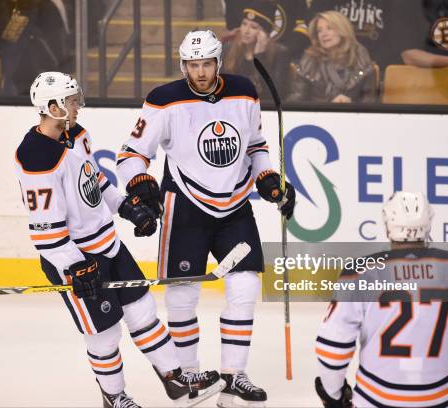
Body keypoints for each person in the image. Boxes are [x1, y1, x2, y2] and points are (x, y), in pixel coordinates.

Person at [14, 71, 224, 408]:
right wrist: (75, 267)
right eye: (70, 101)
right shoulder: (36, 157)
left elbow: (94, 180)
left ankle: (176, 380)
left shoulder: (76, 135)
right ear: (51, 106)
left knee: (143, 312)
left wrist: (127, 208)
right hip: (74, 257)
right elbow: (45, 231)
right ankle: (114, 397)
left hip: (108, 245)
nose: (76, 106)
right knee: (104, 335)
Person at [116, 30, 296, 408]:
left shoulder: (244, 91)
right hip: (184, 208)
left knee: (245, 291)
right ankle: (190, 376)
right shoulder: (164, 99)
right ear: (184, 65)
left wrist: (267, 178)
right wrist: (142, 181)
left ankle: (234, 376)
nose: (199, 72)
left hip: (235, 208)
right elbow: (132, 153)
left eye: (206, 64)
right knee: (182, 298)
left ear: (219, 62)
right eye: (192, 65)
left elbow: (256, 146)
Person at [314, 191, 448, 408]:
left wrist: (333, 395)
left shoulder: (359, 272)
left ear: (387, 226)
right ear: (429, 224)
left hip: (374, 400)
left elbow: (332, 347)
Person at [287, 11, 377, 104]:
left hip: (354, 116)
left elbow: (370, 98)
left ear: (342, 30)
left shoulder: (360, 56)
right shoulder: (310, 59)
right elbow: (297, 99)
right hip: (318, 115)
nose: (323, 34)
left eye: (329, 28)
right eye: (319, 31)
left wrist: (352, 105)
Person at [307, 0, 423, 68]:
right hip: (332, 69)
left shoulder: (397, 3)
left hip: (378, 69)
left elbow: (398, 42)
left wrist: (370, 68)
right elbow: (315, 34)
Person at [221, 1, 290, 102]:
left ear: (264, 33)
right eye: (244, 24)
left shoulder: (280, 54)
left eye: (254, 27)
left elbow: (275, 94)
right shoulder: (228, 49)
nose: (246, 31)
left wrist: (259, 56)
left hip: (265, 109)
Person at [222, 0, 311, 61]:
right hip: (247, 54)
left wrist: (287, 51)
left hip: (290, 53)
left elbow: (303, 24)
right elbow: (234, 28)